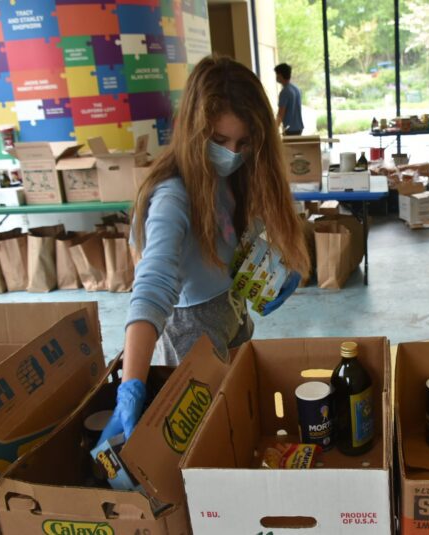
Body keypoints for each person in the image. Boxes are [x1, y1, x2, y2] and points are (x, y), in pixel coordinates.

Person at [99, 56, 311, 444]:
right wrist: (131, 384)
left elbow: (230, 238)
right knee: (204, 438)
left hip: (230, 312)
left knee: (236, 416)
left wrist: (269, 268)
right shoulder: (172, 196)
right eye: (220, 141)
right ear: (194, 130)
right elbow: (152, 286)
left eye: (243, 143)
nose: (232, 153)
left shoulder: (229, 175)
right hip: (188, 331)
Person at [274, 63, 304, 135]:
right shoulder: (297, 89)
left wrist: (273, 129)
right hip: (299, 127)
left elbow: (281, 114)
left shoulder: (285, 92)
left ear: (280, 75)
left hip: (290, 129)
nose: (276, 77)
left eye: (277, 74)